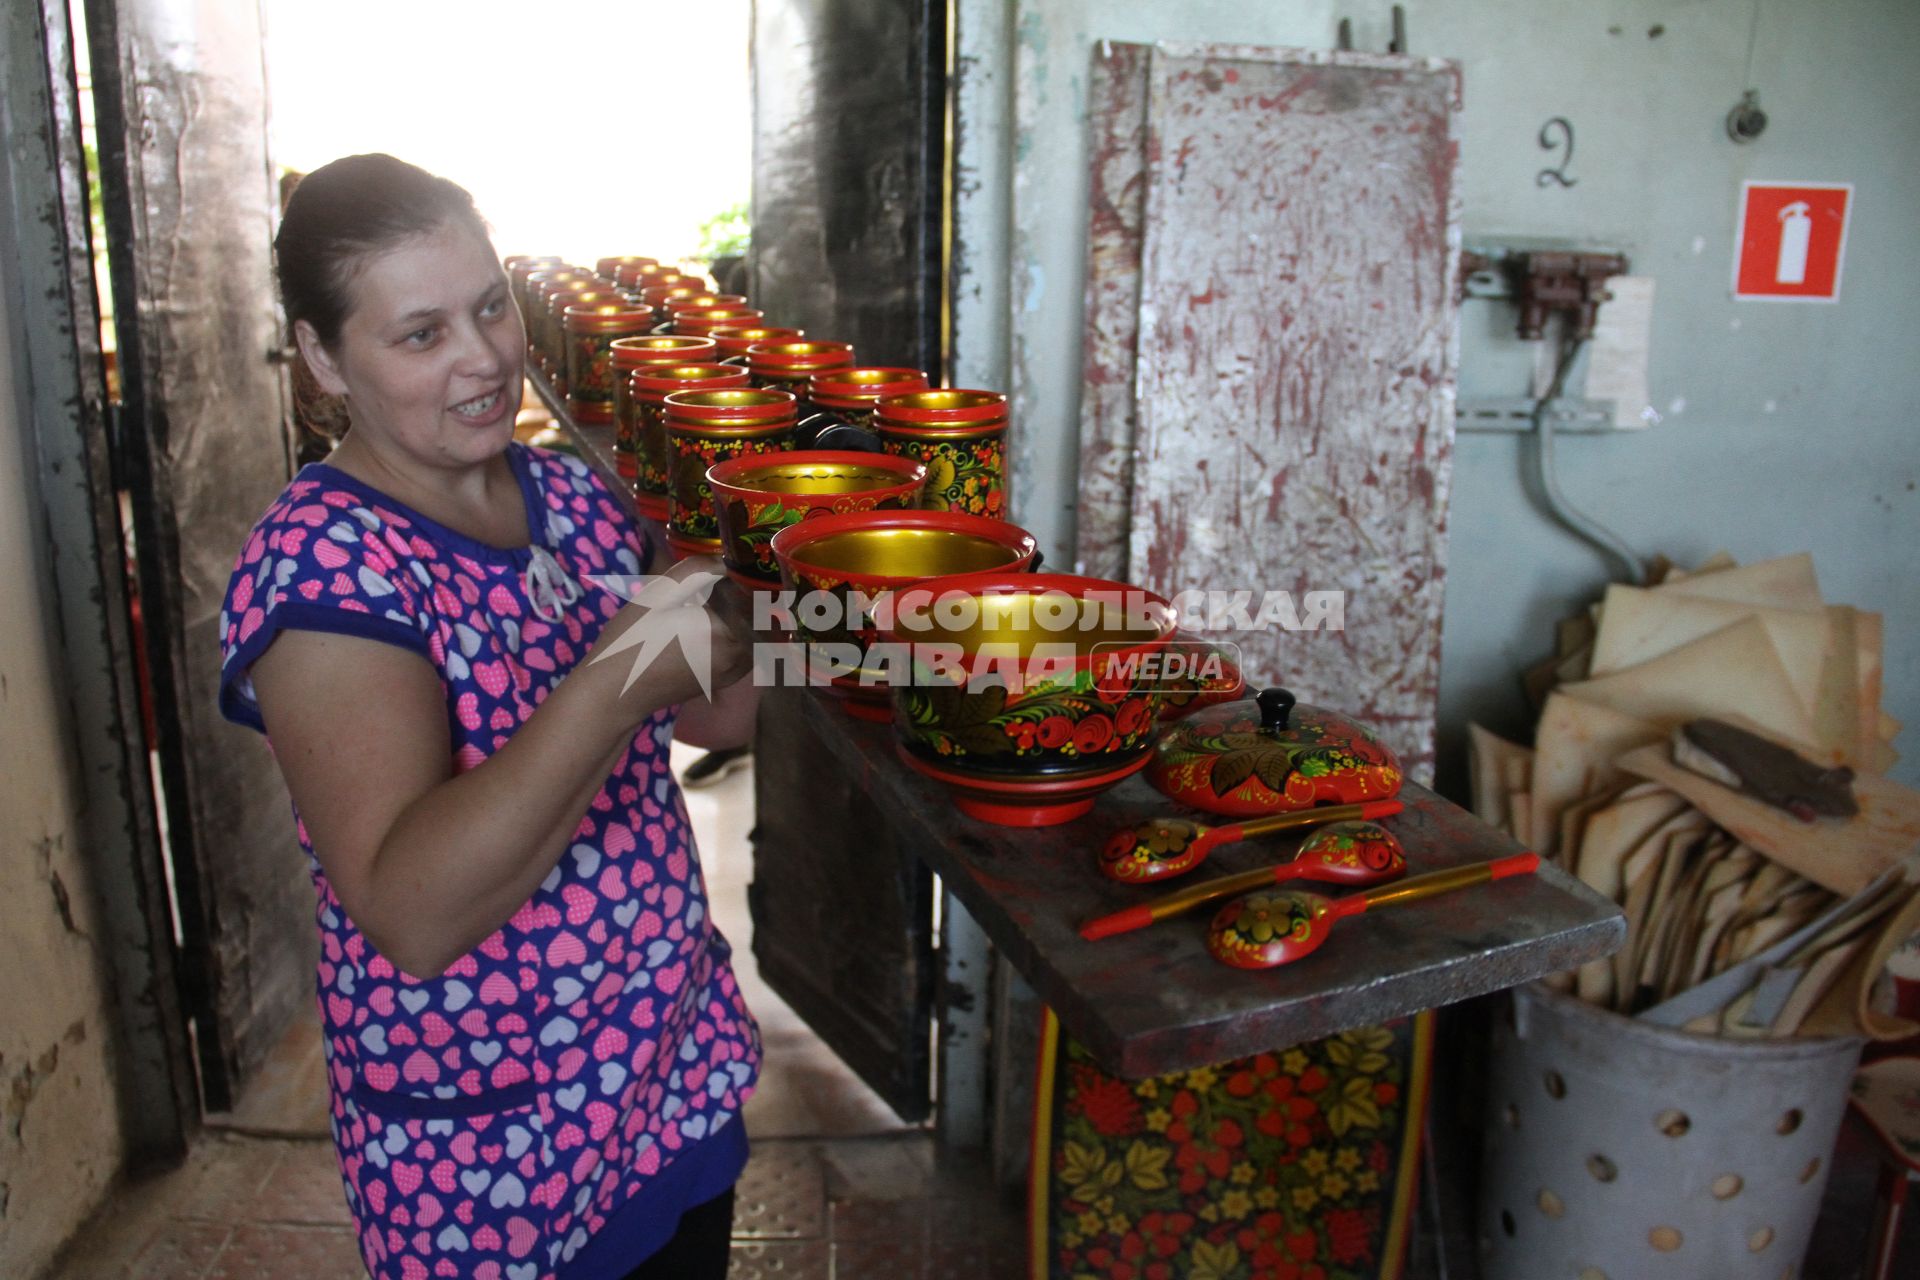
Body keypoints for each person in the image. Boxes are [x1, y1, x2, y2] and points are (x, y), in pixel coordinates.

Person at [216, 153, 761, 1280]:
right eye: (421, 335)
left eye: (491, 305)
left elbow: (719, 716)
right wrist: (618, 677)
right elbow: (412, 910)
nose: (484, 358)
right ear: (323, 359)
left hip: (670, 1073)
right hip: (494, 1150)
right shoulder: (323, 566)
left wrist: (863, 615)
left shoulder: (569, 494)